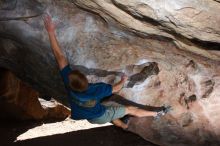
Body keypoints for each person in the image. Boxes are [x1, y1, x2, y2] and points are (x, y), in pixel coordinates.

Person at [43, 14, 165, 130]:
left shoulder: (69, 85)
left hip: (90, 117)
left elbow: (59, 57)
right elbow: (116, 89)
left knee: (110, 108)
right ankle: (156, 114)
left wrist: (50, 32)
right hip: (100, 115)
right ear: (85, 80)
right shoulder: (96, 89)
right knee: (129, 109)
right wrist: (123, 80)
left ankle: (124, 126)